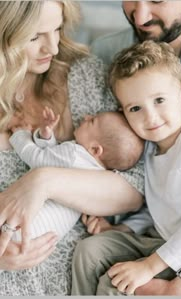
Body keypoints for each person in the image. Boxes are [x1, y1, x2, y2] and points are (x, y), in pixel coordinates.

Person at [89, 1, 181, 296]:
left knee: (113, 287)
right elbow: (159, 196)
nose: (140, 18)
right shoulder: (104, 55)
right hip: (162, 237)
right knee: (90, 254)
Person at [0, 1, 144, 295]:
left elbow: (134, 188)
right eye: (34, 37)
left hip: (81, 280)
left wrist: (42, 181)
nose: (52, 48)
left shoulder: (84, 75)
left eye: (57, 28)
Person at [8, 107, 144, 241]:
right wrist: (46, 136)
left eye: (92, 121)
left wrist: (21, 135)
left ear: (95, 149)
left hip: (23, 220)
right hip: (41, 235)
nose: (86, 117)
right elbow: (54, 160)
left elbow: (37, 159)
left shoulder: (73, 153)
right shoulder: (97, 178)